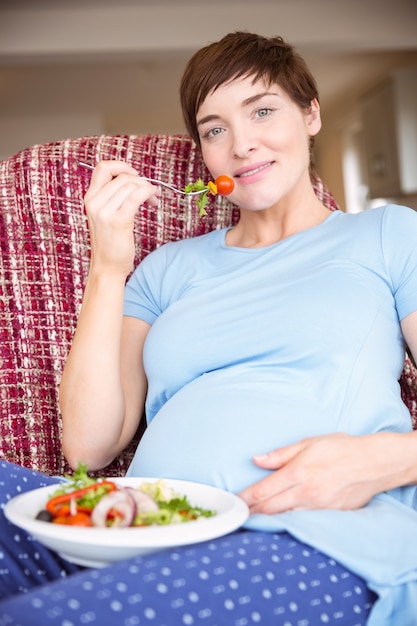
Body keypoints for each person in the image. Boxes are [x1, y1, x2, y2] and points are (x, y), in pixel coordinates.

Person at [1, 31, 417, 625]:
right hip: (140, 525)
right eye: (214, 128)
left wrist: (390, 459)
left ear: (311, 114)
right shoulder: (168, 267)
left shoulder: (387, 236)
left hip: (310, 537)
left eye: (263, 111)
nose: (242, 145)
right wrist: (108, 265)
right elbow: (89, 445)